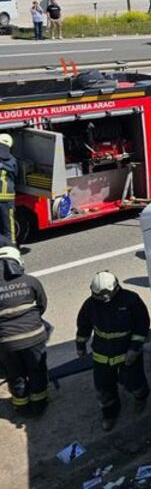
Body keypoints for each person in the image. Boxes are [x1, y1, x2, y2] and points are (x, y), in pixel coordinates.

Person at [76, 271, 150, 431]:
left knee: (134, 382)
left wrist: (134, 348)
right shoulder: (90, 305)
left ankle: (140, 397)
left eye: (105, 296)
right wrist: (80, 345)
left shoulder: (131, 300)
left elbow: (142, 324)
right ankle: (109, 414)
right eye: (98, 296)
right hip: (102, 354)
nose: (103, 300)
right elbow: (83, 326)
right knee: (104, 388)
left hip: (127, 352)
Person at [0, 247, 49, 417]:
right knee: (37, 372)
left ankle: (21, 407)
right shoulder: (30, 281)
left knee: (16, 375)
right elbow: (42, 305)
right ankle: (39, 406)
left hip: (7, 344)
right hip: (34, 337)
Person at [0, 134, 18, 245]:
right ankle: (11, 250)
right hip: (7, 199)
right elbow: (16, 175)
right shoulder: (13, 160)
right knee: (9, 228)